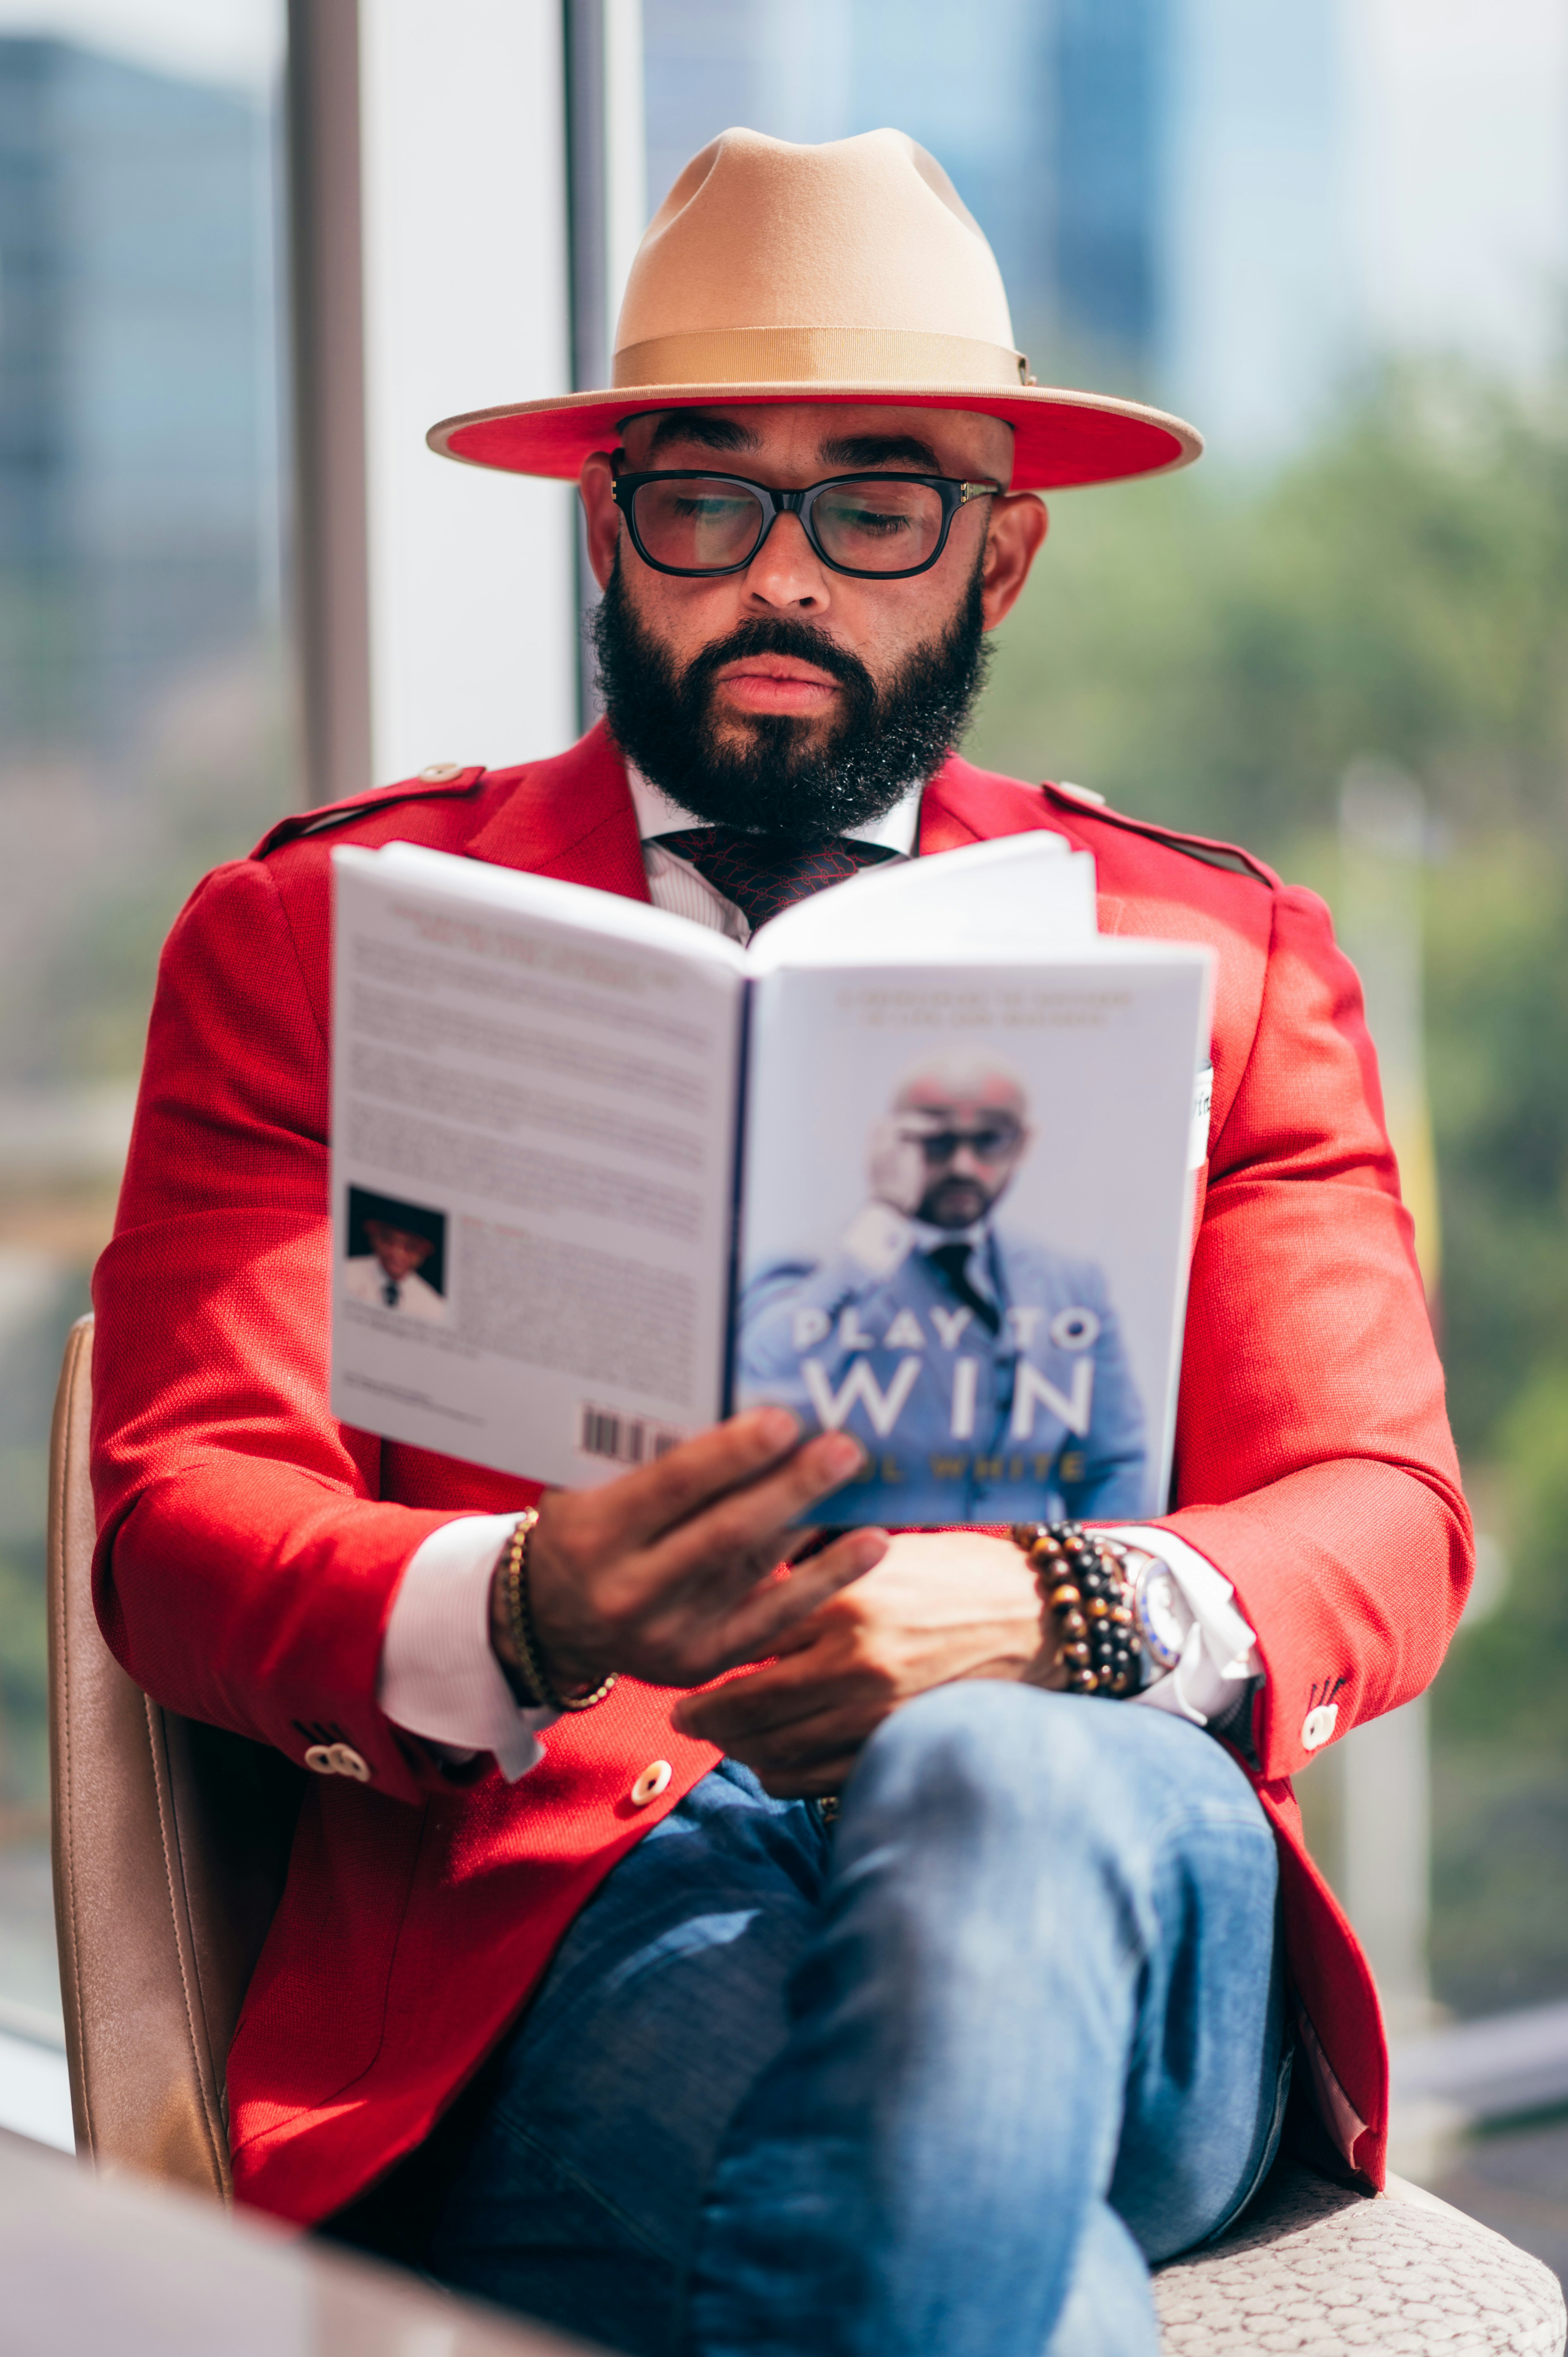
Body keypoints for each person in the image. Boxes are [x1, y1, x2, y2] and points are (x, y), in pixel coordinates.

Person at [90, 128, 1471, 2356]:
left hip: (1106, 1876)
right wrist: (527, 1600)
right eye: (709, 498)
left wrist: (1051, 1607)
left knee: (998, 1761)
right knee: (972, 2265)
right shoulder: (315, 939)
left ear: (1001, 553)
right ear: (606, 522)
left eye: (879, 505)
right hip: (587, 1898)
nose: (785, 579)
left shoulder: (1216, 958)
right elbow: (180, 1527)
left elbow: (1381, 1508)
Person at [739, 1050, 1148, 1523]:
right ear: (890, 1143)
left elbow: (1113, 1463)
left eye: (989, 1140)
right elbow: (761, 1378)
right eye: (936, 1140)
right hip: (860, 1565)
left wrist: (1080, 1562)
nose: (963, 1165)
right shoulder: (821, 1268)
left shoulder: (1070, 1281)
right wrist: (883, 1218)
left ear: (1022, 1143)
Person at [342, 1198, 448, 1322]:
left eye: (410, 1247)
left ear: (422, 1253)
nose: (398, 1253)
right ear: (376, 1239)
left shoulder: (434, 1308)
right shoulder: (343, 1273)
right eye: (390, 1241)